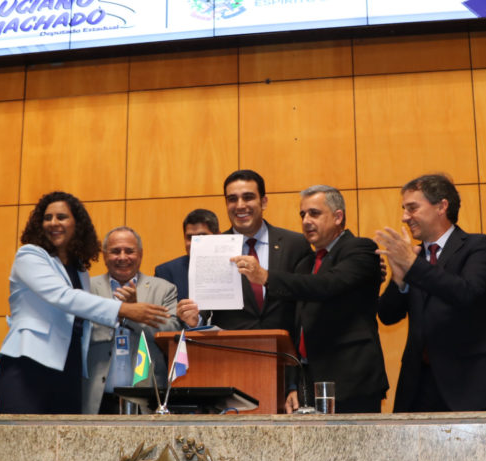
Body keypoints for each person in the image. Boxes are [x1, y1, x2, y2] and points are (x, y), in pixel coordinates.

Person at [0, 191, 170, 414]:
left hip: (70, 370)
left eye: (61, 217)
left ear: (77, 225)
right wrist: (123, 309)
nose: (53, 223)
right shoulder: (29, 256)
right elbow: (64, 297)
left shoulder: (80, 270)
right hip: (29, 364)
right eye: (47, 218)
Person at [233, 185, 387, 413]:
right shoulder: (306, 263)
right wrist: (294, 384)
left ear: (338, 217)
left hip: (352, 381)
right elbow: (298, 328)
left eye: (314, 213)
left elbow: (326, 286)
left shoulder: (360, 249)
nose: (306, 221)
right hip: (310, 384)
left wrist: (265, 276)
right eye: (302, 214)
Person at [176, 170, 312, 408]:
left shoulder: (295, 245)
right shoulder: (210, 247)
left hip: (285, 372)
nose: (240, 205)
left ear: (264, 201)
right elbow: (208, 314)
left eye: (248, 197)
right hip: (230, 372)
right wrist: (194, 321)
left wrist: (295, 383)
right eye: (232, 199)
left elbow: (303, 313)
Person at [375, 173, 486, 412]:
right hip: (418, 386)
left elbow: (468, 293)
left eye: (412, 208)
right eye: (404, 209)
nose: (405, 217)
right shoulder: (414, 258)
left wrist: (413, 266)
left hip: (471, 383)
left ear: (441, 206)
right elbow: (387, 315)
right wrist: (399, 281)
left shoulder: (480, 246)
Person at [83, 226, 181, 414]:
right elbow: (80, 332)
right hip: (97, 399)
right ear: (104, 255)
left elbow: (171, 332)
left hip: (146, 398)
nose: (122, 257)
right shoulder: (87, 288)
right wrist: (119, 311)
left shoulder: (163, 289)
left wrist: (134, 313)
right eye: (115, 251)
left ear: (141, 254)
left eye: (129, 251)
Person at [154, 208, 220, 301]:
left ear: (218, 236)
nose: (195, 243)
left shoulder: (235, 268)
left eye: (202, 236)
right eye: (190, 237)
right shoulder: (166, 273)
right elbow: (161, 313)